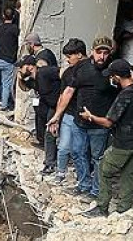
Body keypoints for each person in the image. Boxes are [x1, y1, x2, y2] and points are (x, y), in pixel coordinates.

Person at [81, 59, 133, 217]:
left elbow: (108, 122)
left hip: (124, 141)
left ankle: (102, 207)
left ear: (116, 77)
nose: (111, 80)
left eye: (112, 77)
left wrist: (91, 117)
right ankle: (124, 209)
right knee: (129, 174)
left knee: (104, 168)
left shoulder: (124, 96)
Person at [48, 37, 116, 198]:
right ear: (92, 51)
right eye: (99, 52)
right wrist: (57, 116)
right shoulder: (81, 68)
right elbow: (68, 92)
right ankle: (84, 184)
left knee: (98, 158)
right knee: (78, 152)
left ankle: (96, 190)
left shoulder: (113, 70)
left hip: (99, 125)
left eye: (106, 53)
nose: (102, 56)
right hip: (80, 123)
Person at [52, 39, 86, 184]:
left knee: (81, 151)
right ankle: (61, 172)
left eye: (69, 56)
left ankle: (82, 177)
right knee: (64, 147)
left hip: (84, 117)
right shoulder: (68, 73)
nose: (67, 60)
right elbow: (62, 96)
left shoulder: (90, 71)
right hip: (69, 115)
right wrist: (57, 117)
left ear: (79, 54)